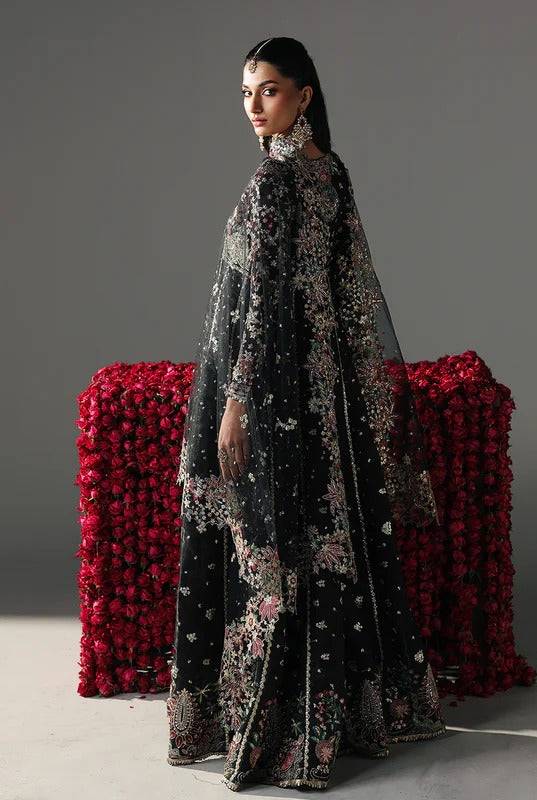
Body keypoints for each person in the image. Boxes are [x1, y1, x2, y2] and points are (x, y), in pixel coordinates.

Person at [166, 36, 447, 792]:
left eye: (268, 90)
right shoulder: (332, 172)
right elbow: (348, 294)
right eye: (246, 92)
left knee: (281, 541)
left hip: (279, 392)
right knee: (328, 535)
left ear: (305, 95)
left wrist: (236, 403)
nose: (254, 106)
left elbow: (262, 304)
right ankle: (346, 714)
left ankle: (284, 725)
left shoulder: (277, 182)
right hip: (327, 391)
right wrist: (361, 392)